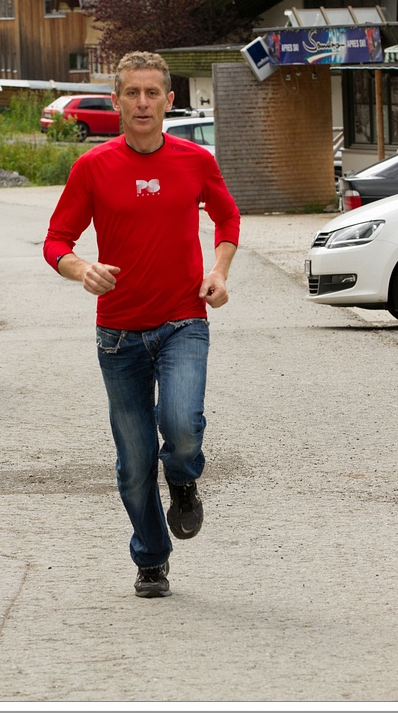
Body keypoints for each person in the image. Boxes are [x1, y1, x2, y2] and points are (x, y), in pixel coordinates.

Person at [43, 51, 240, 598]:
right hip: (119, 335)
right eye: (132, 92)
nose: (143, 102)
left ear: (169, 100)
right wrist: (81, 269)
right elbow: (56, 241)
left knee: (181, 425)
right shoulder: (93, 167)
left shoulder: (195, 161)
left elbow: (227, 216)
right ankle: (151, 557)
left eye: (153, 92)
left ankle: (182, 476)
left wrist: (219, 271)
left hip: (183, 320)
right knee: (133, 463)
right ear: (116, 101)